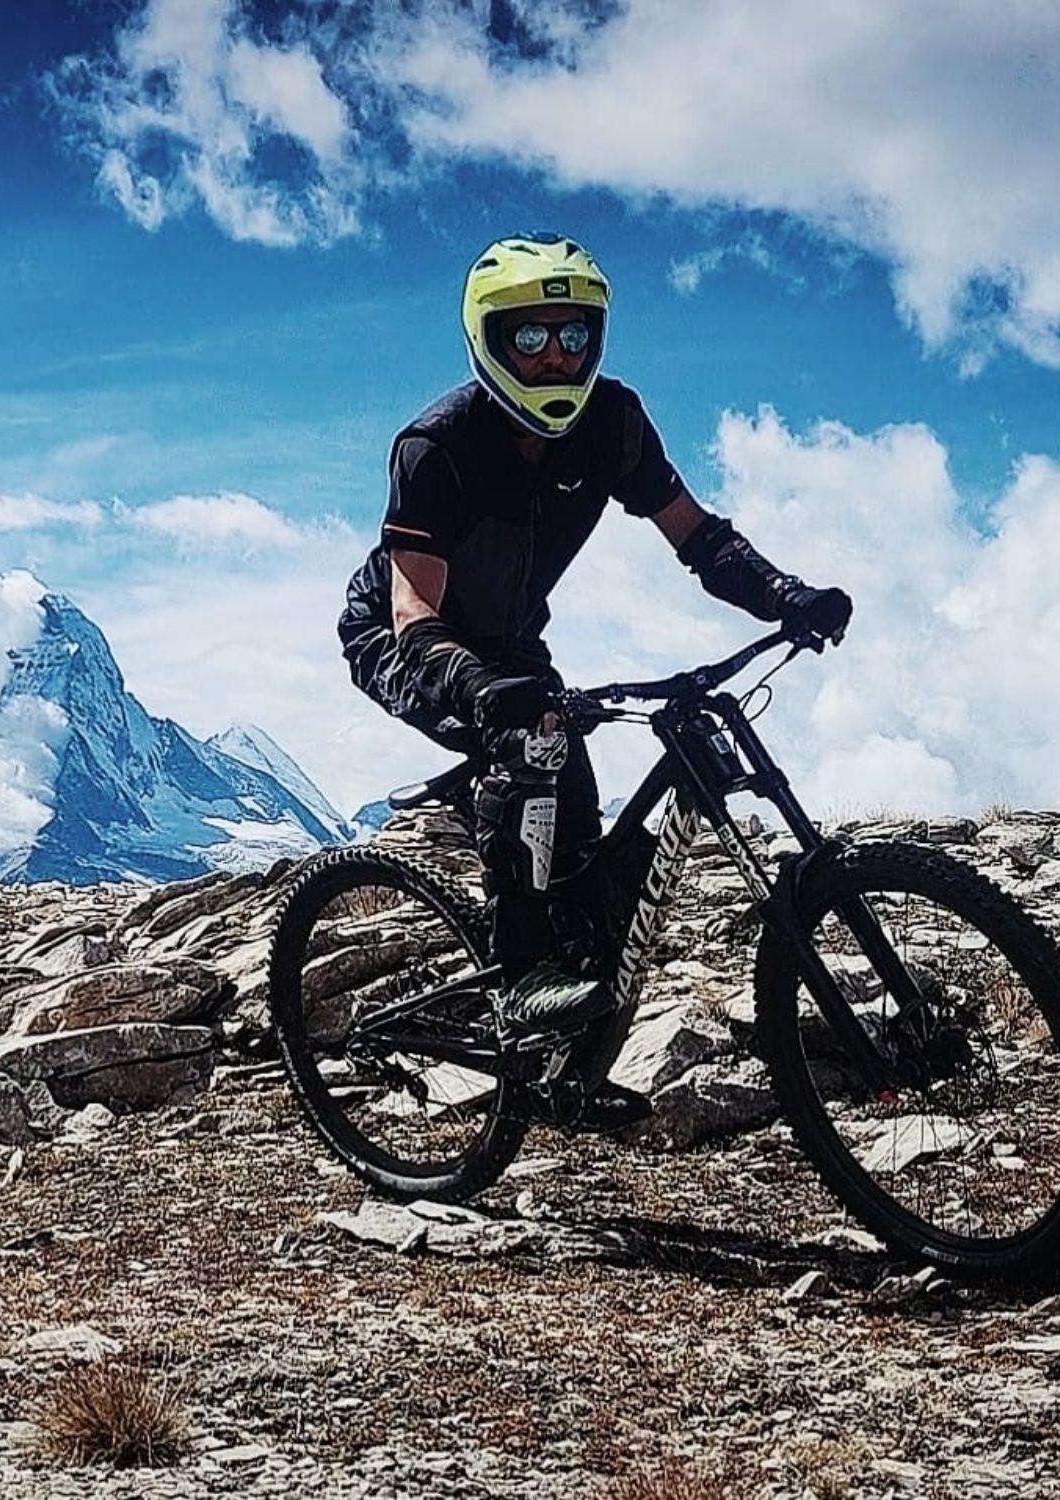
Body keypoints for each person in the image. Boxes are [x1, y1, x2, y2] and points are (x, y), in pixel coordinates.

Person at [337, 233, 851, 1122]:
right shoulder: (436, 448)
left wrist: (784, 595)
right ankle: (520, 978)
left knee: (592, 864)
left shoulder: (612, 424)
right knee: (532, 754)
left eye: (572, 337)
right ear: (488, 342)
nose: (554, 358)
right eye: (528, 339)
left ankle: (568, 1074)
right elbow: (415, 617)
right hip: (402, 637)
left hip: (512, 644)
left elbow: (699, 537)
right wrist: (484, 694)